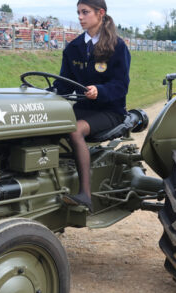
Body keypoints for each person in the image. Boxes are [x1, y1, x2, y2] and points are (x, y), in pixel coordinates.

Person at [53, 0, 130, 211]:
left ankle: (85, 195)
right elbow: (63, 82)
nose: (80, 17)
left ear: (100, 13)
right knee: (49, 123)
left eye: (85, 12)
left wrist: (100, 91)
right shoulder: (74, 48)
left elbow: (121, 86)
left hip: (109, 110)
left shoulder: (117, 46)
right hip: (82, 107)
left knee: (76, 130)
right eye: (78, 12)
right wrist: (48, 93)